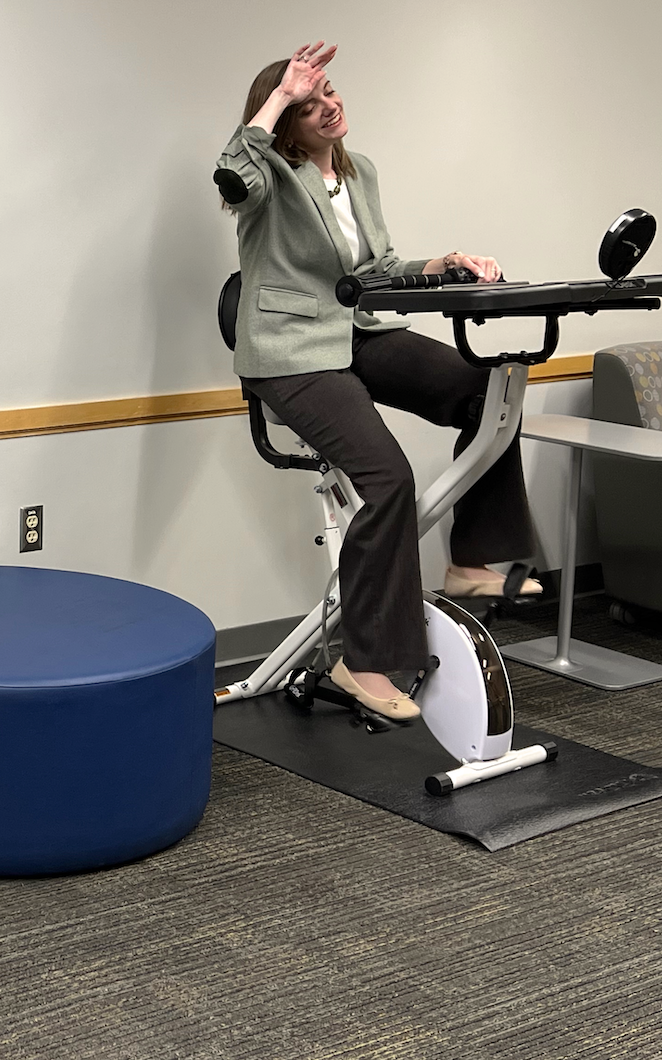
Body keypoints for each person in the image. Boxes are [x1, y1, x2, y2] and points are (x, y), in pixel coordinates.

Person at [216, 42, 539, 721]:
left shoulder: (359, 173)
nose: (327, 106)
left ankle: (476, 560)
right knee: (387, 479)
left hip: (356, 332)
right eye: (307, 105)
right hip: (291, 354)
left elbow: (380, 267)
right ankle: (362, 662)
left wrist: (442, 262)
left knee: (491, 391)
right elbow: (229, 174)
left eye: (327, 91)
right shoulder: (267, 175)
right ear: (285, 126)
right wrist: (275, 99)